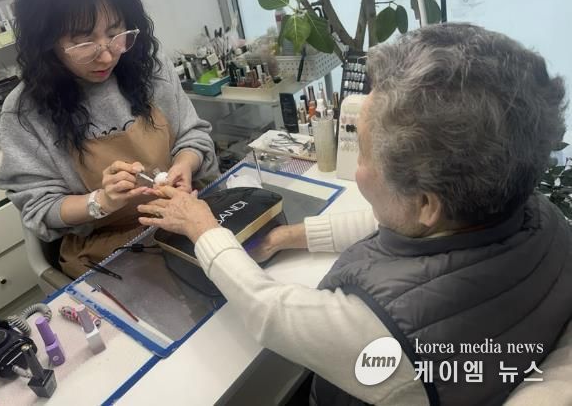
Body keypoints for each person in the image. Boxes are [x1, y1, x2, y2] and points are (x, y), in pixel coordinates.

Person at [138, 24, 572, 405]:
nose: (358, 169)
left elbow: (268, 312)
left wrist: (203, 228)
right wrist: (284, 237)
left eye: (362, 153)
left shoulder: (387, 334)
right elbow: (398, 226)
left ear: (426, 203)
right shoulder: (537, 214)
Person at [0, 0, 217, 278]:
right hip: (109, 252)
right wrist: (100, 201)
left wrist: (184, 165)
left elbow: (193, 135)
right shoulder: (25, 113)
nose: (107, 55)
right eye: (83, 42)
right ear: (45, 40)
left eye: (115, 33)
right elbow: (40, 207)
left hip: (183, 221)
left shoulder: (149, 68)